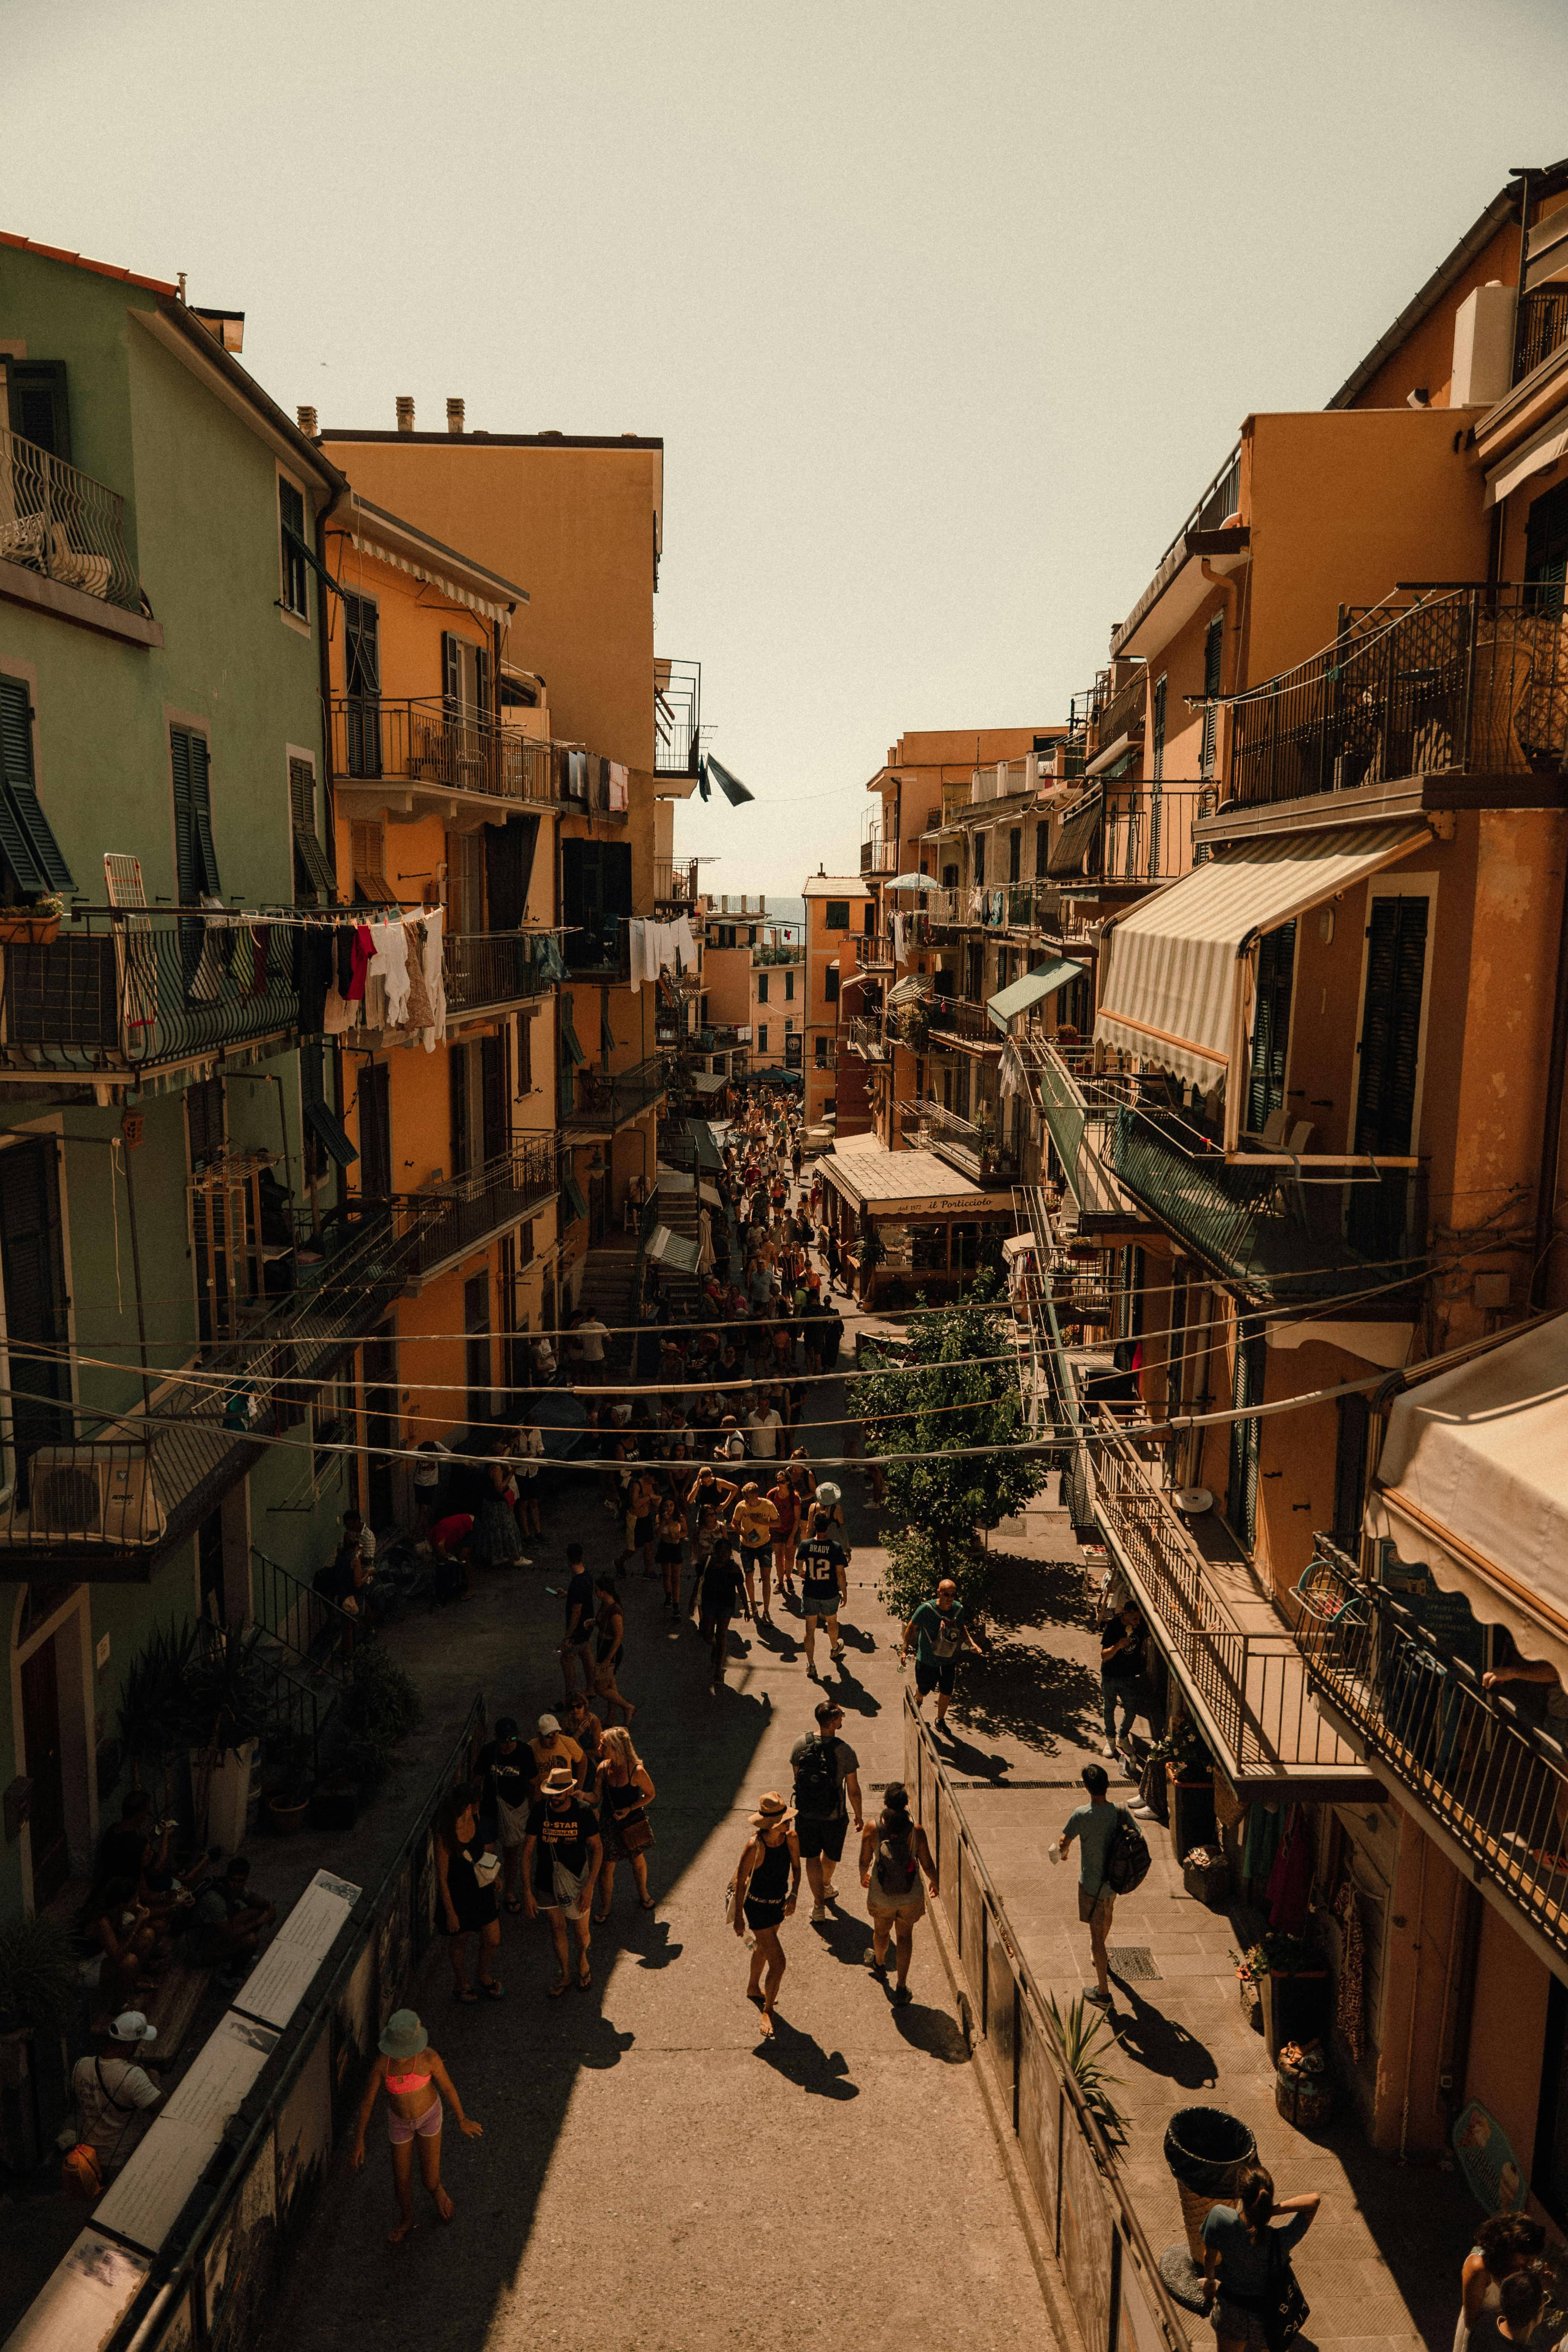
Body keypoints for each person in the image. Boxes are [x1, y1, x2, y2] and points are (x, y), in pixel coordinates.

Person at [349, 2009, 482, 2245]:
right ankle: (407, 2218)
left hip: (430, 2117)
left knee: (429, 2179)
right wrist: (359, 2140)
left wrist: (462, 2119)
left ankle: (437, 2190)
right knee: (401, 2180)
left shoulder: (429, 2058)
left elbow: (448, 2089)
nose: (400, 2056)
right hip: (400, 2124)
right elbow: (367, 2103)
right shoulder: (383, 2065)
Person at [1200, 2163, 1321, 2352]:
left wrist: (1210, 2281)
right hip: (1267, 2319)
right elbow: (1314, 2201)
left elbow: (1209, 2256)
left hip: (1231, 2312)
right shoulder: (1281, 2239)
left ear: (1242, 2196)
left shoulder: (1221, 2218)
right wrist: (1272, 2210)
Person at [521, 1765, 603, 1995]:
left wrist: (589, 1887)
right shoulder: (540, 1812)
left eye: (558, 1794)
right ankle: (566, 1975)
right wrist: (527, 1891)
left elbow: (597, 1849)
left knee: (580, 1933)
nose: (554, 1799)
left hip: (578, 1881)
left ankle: (583, 1960)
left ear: (569, 1792)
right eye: (551, 1794)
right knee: (557, 1929)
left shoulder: (583, 1812)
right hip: (546, 1881)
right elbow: (527, 1851)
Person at [1055, 1764, 1127, 2009]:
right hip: (1114, 1882)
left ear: (1086, 1787)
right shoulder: (1120, 1812)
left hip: (1092, 1884)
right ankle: (1101, 1956)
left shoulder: (1082, 1815)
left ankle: (1103, 1994)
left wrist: (1064, 1853)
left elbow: (1064, 1841)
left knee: (1096, 1938)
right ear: (1108, 1785)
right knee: (1108, 1913)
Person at [859, 1784, 937, 2005]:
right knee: (905, 1937)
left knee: (881, 1932)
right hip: (910, 1895)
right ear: (906, 1805)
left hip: (881, 1895)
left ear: (885, 1803)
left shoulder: (872, 1828)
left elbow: (865, 1860)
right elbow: (927, 1863)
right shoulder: (916, 1831)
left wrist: (863, 1875)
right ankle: (901, 1988)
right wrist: (935, 1882)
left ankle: (880, 1964)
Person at [731, 1792, 800, 2038]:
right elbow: (741, 1881)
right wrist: (739, 1917)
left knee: (763, 1949)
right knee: (779, 1962)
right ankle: (768, 2010)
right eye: (785, 1821)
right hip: (758, 1908)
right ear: (772, 1824)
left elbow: (796, 1867)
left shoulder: (791, 1839)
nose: (789, 1824)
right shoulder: (755, 1846)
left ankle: (753, 1988)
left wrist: (794, 1895)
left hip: (778, 1904)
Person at [790, 1697, 863, 1919]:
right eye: (841, 1715)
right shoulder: (845, 1751)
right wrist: (858, 1814)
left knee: (811, 1857)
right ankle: (826, 1885)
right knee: (830, 1856)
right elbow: (853, 1790)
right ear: (833, 1723)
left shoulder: (800, 1744)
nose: (843, 1717)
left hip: (806, 1813)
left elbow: (797, 1778)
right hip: (834, 1814)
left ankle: (818, 1906)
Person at [67, 2013, 163, 2181]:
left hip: (88, 2158)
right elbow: (160, 2107)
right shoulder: (134, 2077)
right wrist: (154, 2078)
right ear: (130, 2045)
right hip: (121, 2160)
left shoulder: (80, 2066)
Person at [434, 1782, 503, 2002]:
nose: (474, 1807)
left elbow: (480, 1854)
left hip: (481, 1890)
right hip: (458, 1895)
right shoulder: (445, 1836)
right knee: (460, 1941)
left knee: (493, 1938)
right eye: (471, 1805)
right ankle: (462, 1983)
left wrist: (494, 1877)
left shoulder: (475, 1818)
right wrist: (451, 1913)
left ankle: (482, 1974)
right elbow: (442, 1879)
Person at [902, 1577, 986, 1734]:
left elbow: (962, 1628)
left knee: (947, 1690)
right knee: (925, 1689)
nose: (950, 1599)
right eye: (946, 1595)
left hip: (949, 1658)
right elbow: (911, 1628)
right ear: (939, 1593)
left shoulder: (958, 1609)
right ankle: (918, 1698)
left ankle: (940, 1720)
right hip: (927, 1658)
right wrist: (904, 1650)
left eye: (953, 1595)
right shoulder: (926, 1609)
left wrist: (971, 1644)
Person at [592, 1726, 656, 1918]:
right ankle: (605, 1908)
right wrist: (580, 1795)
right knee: (607, 1866)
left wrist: (630, 1809)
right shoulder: (603, 1768)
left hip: (632, 1823)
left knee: (637, 1860)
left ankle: (644, 1894)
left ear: (617, 1748)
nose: (599, 1749)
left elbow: (650, 1794)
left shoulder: (636, 1771)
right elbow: (596, 1796)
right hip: (609, 1823)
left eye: (604, 1746)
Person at [1457, 2216, 1547, 2352]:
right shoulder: (1479, 2267)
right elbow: (1471, 2321)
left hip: (1500, 2336)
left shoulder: (1516, 2266)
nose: (1529, 2265)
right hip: (1480, 2338)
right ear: (1510, 2248)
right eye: (1526, 2259)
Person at [474, 1717, 530, 1913]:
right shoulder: (489, 1752)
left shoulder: (525, 1752)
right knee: (487, 1851)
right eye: (505, 1740)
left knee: (511, 1852)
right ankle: (490, 1894)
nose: (509, 1744)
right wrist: (474, 1809)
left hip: (514, 1810)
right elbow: (477, 1780)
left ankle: (509, 1892)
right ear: (497, 1738)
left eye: (513, 1738)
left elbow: (533, 1782)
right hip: (490, 1808)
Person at [190, 1858, 276, 1985]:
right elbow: (228, 1934)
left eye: (241, 1881)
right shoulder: (214, 1899)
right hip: (201, 1950)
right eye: (233, 1880)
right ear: (227, 1876)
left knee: (259, 1911)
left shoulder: (235, 1888)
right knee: (251, 1940)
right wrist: (259, 1922)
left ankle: (237, 1955)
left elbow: (253, 1899)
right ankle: (229, 1976)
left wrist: (269, 1907)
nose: (236, 1885)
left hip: (215, 1935)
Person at [796, 1501, 849, 1680]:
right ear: (828, 1527)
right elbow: (840, 1572)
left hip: (811, 1591)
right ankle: (834, 1647)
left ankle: (811, 1664)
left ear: (815, 1527)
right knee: (832, 1622)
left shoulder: (805, 1545)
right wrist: (844, 1591)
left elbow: (799, 1566)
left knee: (810, 1629)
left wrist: (805, 1575)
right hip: (830, 1591)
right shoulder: (835, 1547)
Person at [698, 1533, 753, 1692]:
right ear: (715, 1552)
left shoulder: (734, 1569)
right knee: (707, 1635)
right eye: (721, 1551)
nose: (724, 1555)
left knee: (722, 1635)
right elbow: (699, 1581)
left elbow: (741, 1589)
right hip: (709, 1603)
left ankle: (718, 1671)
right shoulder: (708, 1564)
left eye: (727, 1552)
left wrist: (748, 1609)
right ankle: (714, 1645)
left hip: (726, 1606)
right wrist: (692, 1603)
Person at [1100, 1602, 1145, 1769]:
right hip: (1111, 1675)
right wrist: (1118, 1646)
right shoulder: (1113, 1626)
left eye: (1139, 1618)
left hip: (1129, 1676)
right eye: (1134, 1618)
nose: (1137, 1621)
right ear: (1126, 1614)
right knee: (1109, 1707)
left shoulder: (1140, 1627)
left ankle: (1122, 1737)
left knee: (1131, 1709)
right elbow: (1104, 1656)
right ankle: (1110, 1739)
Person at [731, 1482, 781, 1624]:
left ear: (756, 1496)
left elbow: (778, 1523)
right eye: (744, 1497)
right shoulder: (741, 1506)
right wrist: (743, 1534)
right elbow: (734, 1524)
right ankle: (753, 1604)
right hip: (747, 1545)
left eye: (748, 1497)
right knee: (749, 1575)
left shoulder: (768, 1506)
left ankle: (766, 1609)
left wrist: (762, 1522)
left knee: (766, 1578)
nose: (745, 1499)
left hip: (764, 1544)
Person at [472, 1449, 529, 1568]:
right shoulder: (497, 1468)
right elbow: (500, 1487)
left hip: (490, 1503)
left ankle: (497, 1556)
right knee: (509, 1529)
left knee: (494, 1530)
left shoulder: (487, 1465)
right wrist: (512, 1473)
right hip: (499, 1505)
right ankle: (516, 1557)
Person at [592, 1573, 636, 1723]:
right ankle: (611, 1717)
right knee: (611, 1684)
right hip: (603, 1647)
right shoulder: (605, 1605)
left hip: (610, 1651)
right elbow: (602, 1623)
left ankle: (627, 1707)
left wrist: (608, 1660)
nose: (595, 1593)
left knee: (601, 1688)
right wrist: (593, 1622)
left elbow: (618, 1637)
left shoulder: (615, 1611)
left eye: (597, 1590)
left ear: (604, 1591)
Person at [560, 1541, 597, 1696]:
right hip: (588, 1625)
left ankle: (571, 1695)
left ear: (568, 1559)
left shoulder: (577, 1583)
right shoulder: (587, 1575)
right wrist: (568, 1594)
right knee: (586, 1654)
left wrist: (568, 1637)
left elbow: (576, 1613)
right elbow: (584, 1596)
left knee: (567, 1659)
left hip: (578, 1630)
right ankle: (591, 1688)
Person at [654, 1491, 689, 1623]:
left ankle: (676, 1605)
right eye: (667, 1506)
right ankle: (668, 1595)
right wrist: (664, 1521)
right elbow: (658, 1534)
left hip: (675, 1547)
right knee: (666, 1575)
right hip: (665, 1547)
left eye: (672, 1505)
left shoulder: (680, 1517)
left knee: (676, 1578)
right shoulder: (659, 1517)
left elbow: (685, 1531)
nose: (670, 1508)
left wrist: (679, 1536)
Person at [529, 1712, 584, 1796]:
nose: (554, 1739)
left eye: (556, 1733)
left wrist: (579, 1788)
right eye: (549, 1736)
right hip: (543, 1797)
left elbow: (583, 1760)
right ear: (540, 1735)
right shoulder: (531, 1748)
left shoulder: (567, 1742)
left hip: (565, 1796)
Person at [511, 1416, 545, 1539]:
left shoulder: (537, 1432)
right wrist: (523, 1456)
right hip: (521, 1472)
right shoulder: (517, 1433)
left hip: (533, 1471)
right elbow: (512, 1453)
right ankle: (527, 1534)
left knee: (534, 1502)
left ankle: (538, 1532)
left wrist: (540, 1453)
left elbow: (540, 1446)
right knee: (523, 1504)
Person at [412, 1439, 448, 1536]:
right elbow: (402, 1456)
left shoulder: (437, 1446)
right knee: (423, 1510)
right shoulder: (417, 1449)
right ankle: (425, 1532)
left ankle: (418, 1532)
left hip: (431, 1484)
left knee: (425, 1509)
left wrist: (465, 1462)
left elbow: (451, 1455)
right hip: (419, 1483)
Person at [576, 1312, 610, 1383]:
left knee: (589, 1377)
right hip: (598, 1355)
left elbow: (579, 1342)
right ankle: (603, 1392)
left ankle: (590, 1393)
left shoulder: (581, 1327)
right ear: (595, 1316)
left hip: (587, 1355)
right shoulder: (601, 1326)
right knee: (602, 1375)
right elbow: (609, 1339)